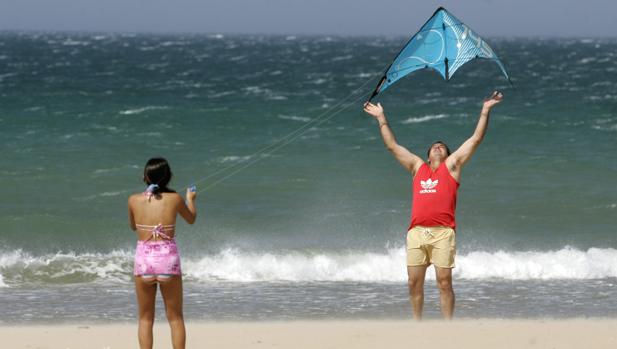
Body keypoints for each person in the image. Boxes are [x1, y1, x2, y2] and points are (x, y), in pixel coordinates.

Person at [363, 91, 503, 320]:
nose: (438, 148)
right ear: (428, 156)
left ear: (448, 154)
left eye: (442, 147)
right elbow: (392, 146)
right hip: (417, 233)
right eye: (434, 147)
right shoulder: (418, 167)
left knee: (444, 282)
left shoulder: (453, 166)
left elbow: (475, 139)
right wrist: (381, 118)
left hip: (442, 234)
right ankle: (418, 326)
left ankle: (447, 328)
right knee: (413, 283)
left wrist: (485, 109)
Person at [128, 157, 197, 349]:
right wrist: (190, 200)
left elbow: (133, 226)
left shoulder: (133, 200)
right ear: (168, 177)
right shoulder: (175, 199)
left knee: (145, 318)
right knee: (175, 318)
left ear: (145, 176)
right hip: (168, 262)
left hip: (144, 263)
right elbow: (191, 219)